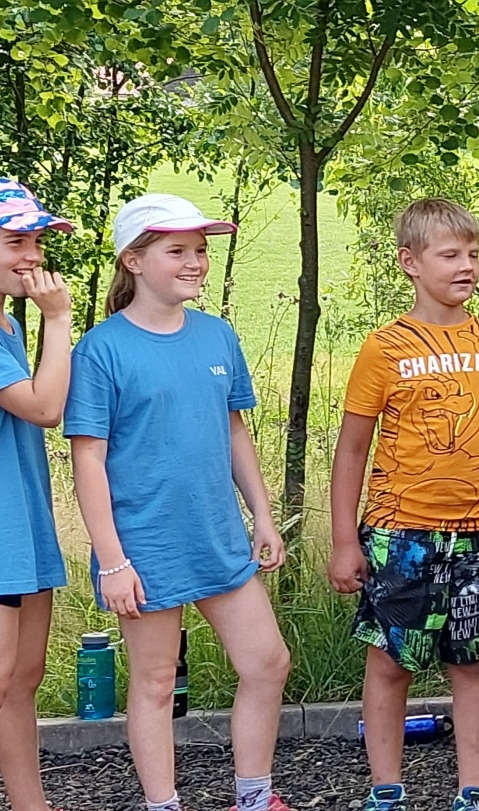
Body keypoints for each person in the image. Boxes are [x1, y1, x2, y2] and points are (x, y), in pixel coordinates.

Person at [67, 193, 292, 811]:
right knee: (157, 681)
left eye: (199, 250)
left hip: (217, 537)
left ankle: (254, 798)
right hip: (144, 549)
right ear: (134, 260)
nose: (195, 262)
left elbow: (234, 432)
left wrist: (262, 515)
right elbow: (88, 461)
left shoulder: (218, 336)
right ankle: (162, 803)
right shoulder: (101, 350)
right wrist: (113, 561)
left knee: (268, 662)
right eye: (177, 251)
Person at [326, 199, 479, 811]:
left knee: (475, 661)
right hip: (401, 533)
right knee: (391, 663)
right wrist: (344, 540)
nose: (466, 266)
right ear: (409, 262)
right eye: (449, 255)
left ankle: (474, 790)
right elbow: (352, 448)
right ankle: (386, 788)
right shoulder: (384, 348)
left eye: (473, 254)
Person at [0, 179, 72, 811]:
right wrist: (58, 318)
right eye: (14, 242)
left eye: (37, 240)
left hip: (22, 522)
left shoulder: (5, 324)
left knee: (23, 680)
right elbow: (45, 408)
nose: (33, 255)